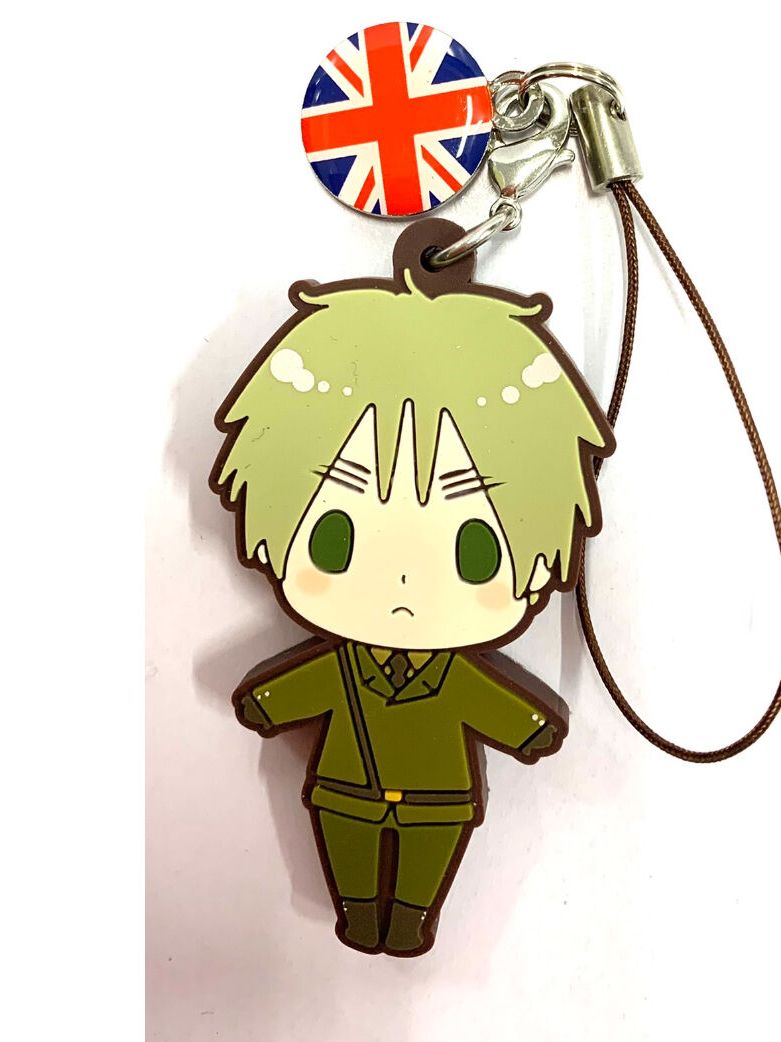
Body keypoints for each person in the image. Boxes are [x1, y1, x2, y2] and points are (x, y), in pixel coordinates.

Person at [212, 230, 614, 955]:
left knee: (424, 867)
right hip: (348, 792)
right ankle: (362, 913)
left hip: (437, 801)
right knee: (351, 863)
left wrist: (528, 726)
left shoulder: (453, 675)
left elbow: (491, 701)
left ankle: (408, 918)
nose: (401, 582)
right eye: (336, 538)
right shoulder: (345, 665)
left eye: (473, 551)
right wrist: (268, 703)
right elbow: (303, 685)